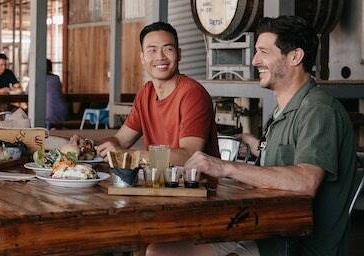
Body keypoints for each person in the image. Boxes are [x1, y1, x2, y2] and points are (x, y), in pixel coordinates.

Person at [148, 16, 357, 256]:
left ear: (295, 57)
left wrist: (226, 167)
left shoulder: (319, 110)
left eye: (263, 52)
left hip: (294, 245)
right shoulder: (284, 111)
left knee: (163, 253)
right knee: (159, 245)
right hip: (266, 229)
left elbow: (305, 181)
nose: (255, 60)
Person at [94, 22, 219, 165]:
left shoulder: (192, 94)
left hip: (197, 185)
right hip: (158, 183)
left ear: (179, 54)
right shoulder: (146, 93)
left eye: (168, 49)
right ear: (142, 58)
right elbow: (120, 141)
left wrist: (130, 155)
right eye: (152, 50)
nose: (160, 57)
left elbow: (189, 156)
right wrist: (88, 145)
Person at [45, 59, 67, 129]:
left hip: (47, 115)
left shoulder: (37, 79)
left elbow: (28, 91)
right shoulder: (56, 78)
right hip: (62, 112)